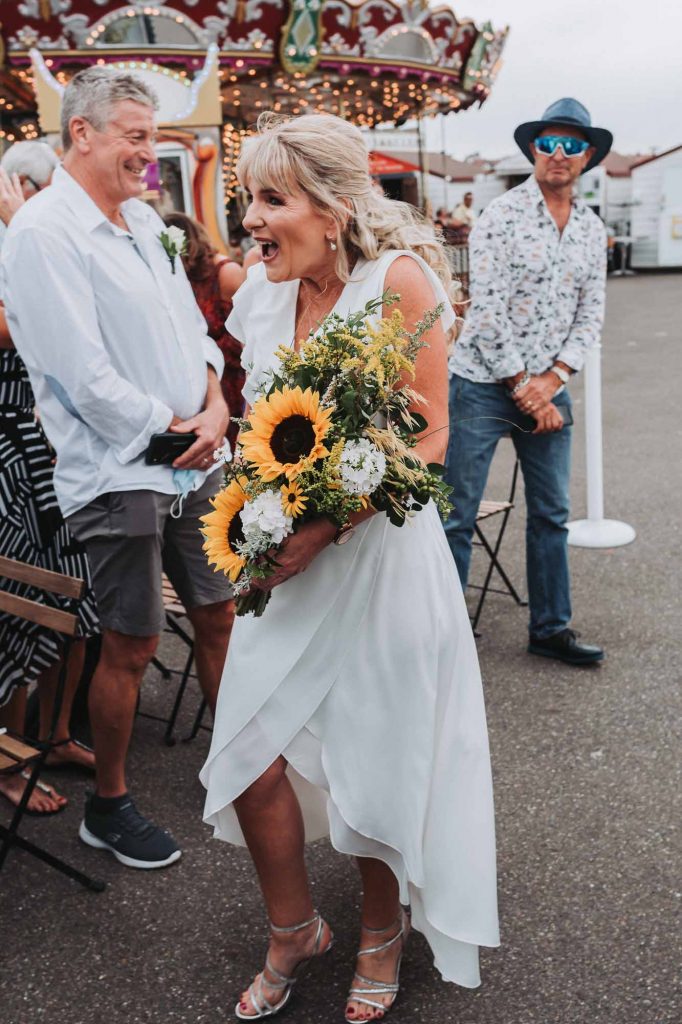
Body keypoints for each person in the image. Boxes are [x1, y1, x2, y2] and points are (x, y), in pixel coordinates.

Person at [200, 112, 498, 1022]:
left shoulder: (398, 283)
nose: (252, 220)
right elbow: (263, 421)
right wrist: (258, 508)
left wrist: (324, 527)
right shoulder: (261, 294)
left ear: (332, 209)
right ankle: (294, 928)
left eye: (270, 199)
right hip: (283, 567)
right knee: (247, 753)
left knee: (376, 758)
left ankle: (380, 929)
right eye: (247, 197)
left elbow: (433, 432)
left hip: (380, 564)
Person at [1, 67, 234, 868]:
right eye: (137, 135)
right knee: (130, 643)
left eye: (154, 135)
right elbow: (79, 374)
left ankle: (239, 765)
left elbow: (192, 330)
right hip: (118, 472)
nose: (151, 151)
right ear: (84, 135)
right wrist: (177, 435)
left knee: (218, 610)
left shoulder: (145, 221)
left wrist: (215, 402)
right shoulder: (41, 234)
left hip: (193, 453)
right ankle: (111, 804)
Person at [444, 98, 612, 666]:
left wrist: (554, 379)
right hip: (482, 383)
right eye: (548, 143)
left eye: (571, 145)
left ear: (587, 156)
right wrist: (524, 386)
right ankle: (442, 642)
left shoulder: (592, 230)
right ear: (533, 150)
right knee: (456, 515)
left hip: (549, 387)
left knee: (551, 514)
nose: (558, 154)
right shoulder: (500, 216)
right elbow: (485, 312)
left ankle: (550, 629)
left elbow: (591, 314)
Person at [0, 154, 99, 816]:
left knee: (80, 598)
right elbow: (29, 330)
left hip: (57, 448)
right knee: (17, 604)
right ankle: (8, 753)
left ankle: (57, 730)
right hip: (8, 456)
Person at [162, 211, 246, 452]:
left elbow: (248, 333)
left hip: (232, 376)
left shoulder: (226, 274)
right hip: (201, 378)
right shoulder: (177, 277)